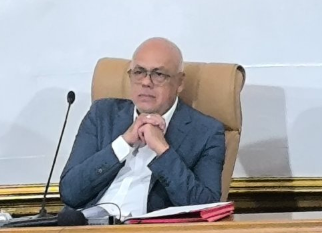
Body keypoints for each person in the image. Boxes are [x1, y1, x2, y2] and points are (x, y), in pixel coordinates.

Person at [59, 38, 225, 218]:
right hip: (88, 225)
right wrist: (123, 143)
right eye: (139, 72)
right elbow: (70, 193)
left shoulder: (206, 132)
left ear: (180, 82)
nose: (146, 82)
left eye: (158, 74)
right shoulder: (102, 114)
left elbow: (206, 209)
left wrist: (162, 150)